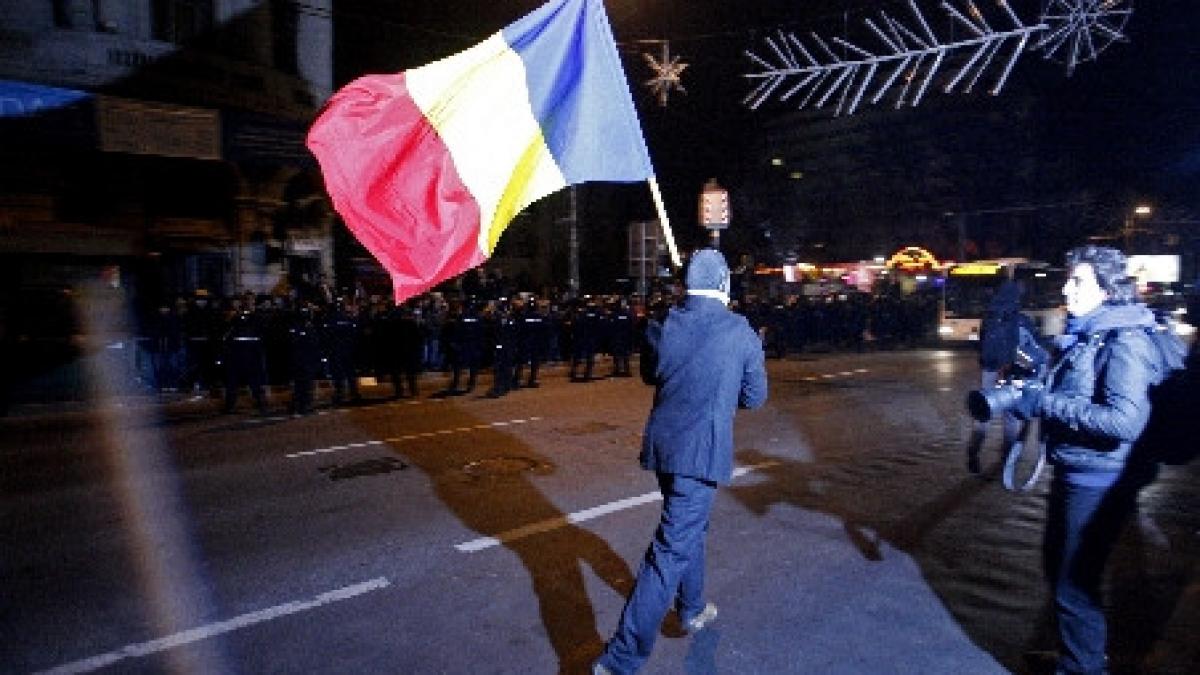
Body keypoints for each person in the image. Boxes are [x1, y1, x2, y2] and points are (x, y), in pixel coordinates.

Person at [594, 249, 768, 675]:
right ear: (725, 284)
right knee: (669, 550)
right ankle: (621, 659)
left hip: (664, 451)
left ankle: (691, 607)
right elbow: (755, 397)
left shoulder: (663, 325)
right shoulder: (739, 331)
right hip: (699, 456)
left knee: (690, 527)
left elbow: (652, 375)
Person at [1010, 245, 1178, 675]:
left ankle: (1083, 666)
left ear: (1108, 288)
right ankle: (1078, 654)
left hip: (1098, 479)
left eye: (1078, 280)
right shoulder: (1088, 332)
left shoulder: (1126, 339)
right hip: (1075, 469)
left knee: (1075, 583)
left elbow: (1123, 422)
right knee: (1060, 570)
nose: (1067, 288)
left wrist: (1046, 404)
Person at [968, 279, 1038, 473]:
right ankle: (1006, 458)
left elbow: (980, 343)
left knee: (984, 413)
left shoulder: (989, 316)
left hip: (989, 370)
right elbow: (1032, 348)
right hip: (1010, 372)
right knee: (1011, 417)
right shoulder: (1021, 319)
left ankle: (973, 450)